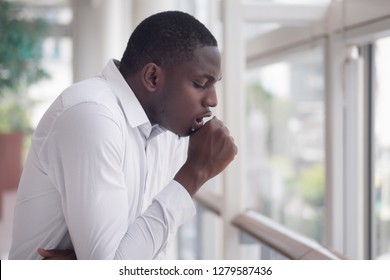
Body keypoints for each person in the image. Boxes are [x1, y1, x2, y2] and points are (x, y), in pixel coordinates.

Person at [8, 11, 237, 260]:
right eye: (201, 83)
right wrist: (193, 174)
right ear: (152, 77)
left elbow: (150, 254)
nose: (213, 100)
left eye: (215, 84)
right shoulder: (92, 114)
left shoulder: (168, 132)